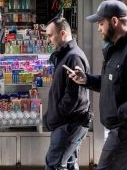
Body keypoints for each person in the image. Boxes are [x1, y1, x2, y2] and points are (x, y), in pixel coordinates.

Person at [68, 0, 127, 170]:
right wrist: (87, 80)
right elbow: (113, 84)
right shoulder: (117, 49)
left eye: (101, 23)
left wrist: (120, 114)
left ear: (114, 21)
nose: (99, 28)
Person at [43, 17, 90, 170]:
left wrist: (57, 115)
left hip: (68, 124)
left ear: (62, 34)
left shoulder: (73, 57)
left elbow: (74, 96)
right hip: (68, 123)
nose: (49, 40)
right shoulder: (65, 55)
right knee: (68, 163)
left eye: (50, 35)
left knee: (54, 164)